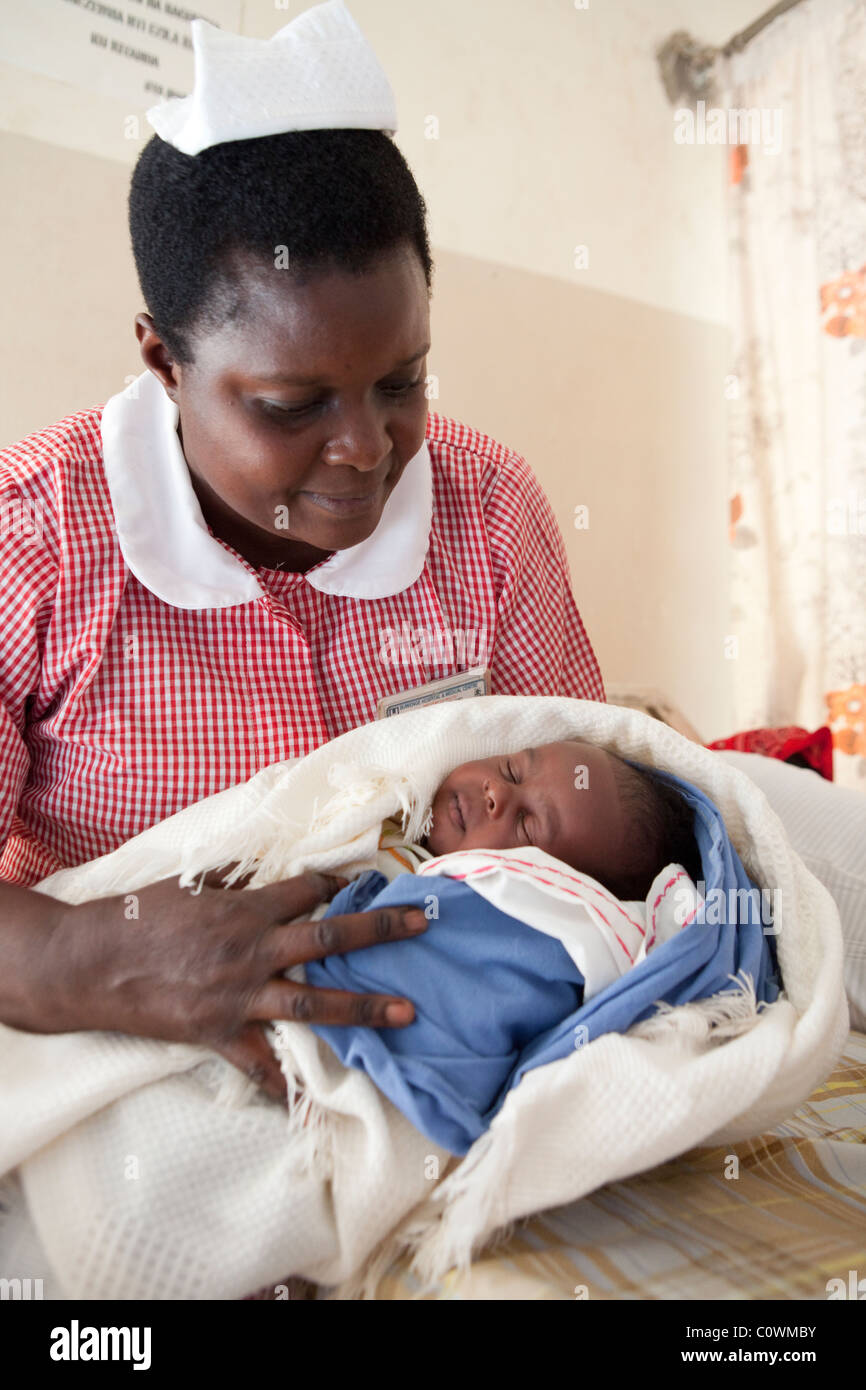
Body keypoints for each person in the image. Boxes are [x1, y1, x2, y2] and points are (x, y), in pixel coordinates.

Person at [0, 4, 604, 1101]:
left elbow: (582, 796)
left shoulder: (489, 510)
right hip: (105, 1055)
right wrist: (91, 959)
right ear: (163, 361)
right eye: (290, 404)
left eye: (400, 381)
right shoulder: (31, 539)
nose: (366, 450)